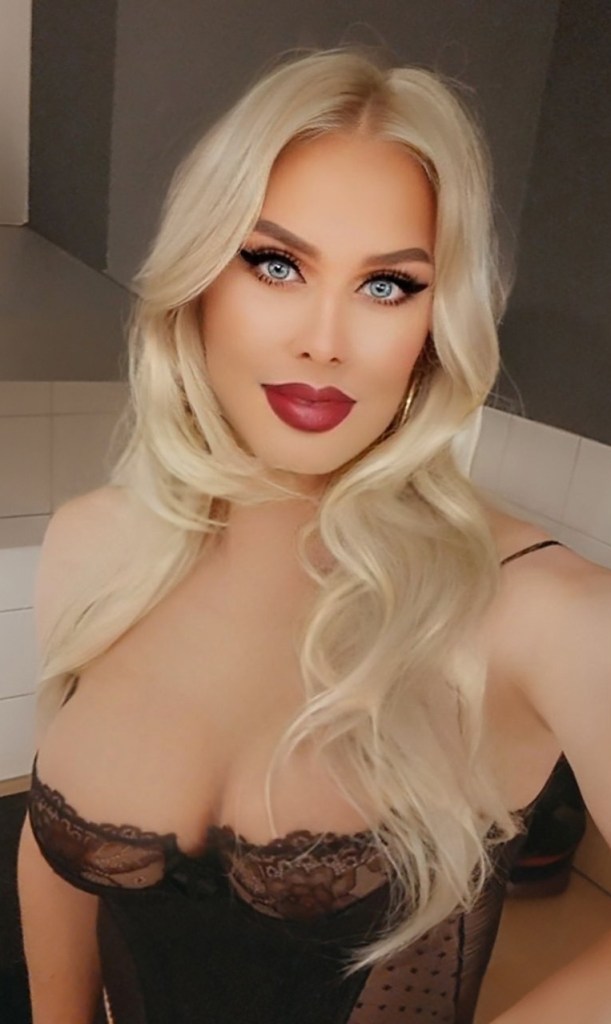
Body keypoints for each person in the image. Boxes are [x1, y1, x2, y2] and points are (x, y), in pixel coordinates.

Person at [16, 46, 611, 1024]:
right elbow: (55, 856)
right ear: (199, 279)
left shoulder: (537, 611)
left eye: (387, 286)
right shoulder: (95, 550)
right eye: (275, 264)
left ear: (436, 320)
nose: (323, 341)